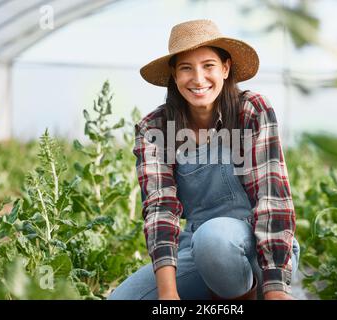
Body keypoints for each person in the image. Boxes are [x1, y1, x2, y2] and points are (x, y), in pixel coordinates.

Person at [108, 19, 300, 300]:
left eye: (208, 65)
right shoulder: (154, 129)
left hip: (263, 250)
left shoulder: (251, 110)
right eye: (186, 68)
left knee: (215, 238)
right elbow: (160, 209)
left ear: (225, 68)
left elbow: (272, 201)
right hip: (197, 248)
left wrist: (275, 290)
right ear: (174, 75)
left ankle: (252, 294)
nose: (198, 79)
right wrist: (168, 295)